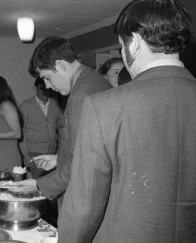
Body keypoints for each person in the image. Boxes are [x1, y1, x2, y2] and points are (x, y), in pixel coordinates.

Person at [58, 0, 196, 242]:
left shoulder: (103, 106)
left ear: (135, 42)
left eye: (122, 45)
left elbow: (83, 209)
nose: (122, 53)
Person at [15, 36, 112, 207]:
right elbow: (92, 147)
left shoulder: (80, 95)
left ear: (60, 65)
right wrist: (58, 158)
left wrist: (39, 184)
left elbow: (80, 162)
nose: (48, 86)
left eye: (47, 77)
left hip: (85, 195)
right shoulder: (94, 80)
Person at [19, 77, 63, 178]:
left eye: (47, 88)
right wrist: (25, 154)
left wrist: (60, 149)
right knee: (39, 183)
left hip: (52, 151)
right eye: (41, 88)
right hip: (34, 152)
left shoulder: (54, 104)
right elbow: (21, 131)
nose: (45, 91)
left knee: (51, 183)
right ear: (36, 88)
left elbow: (61, 127)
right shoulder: (26, 106)